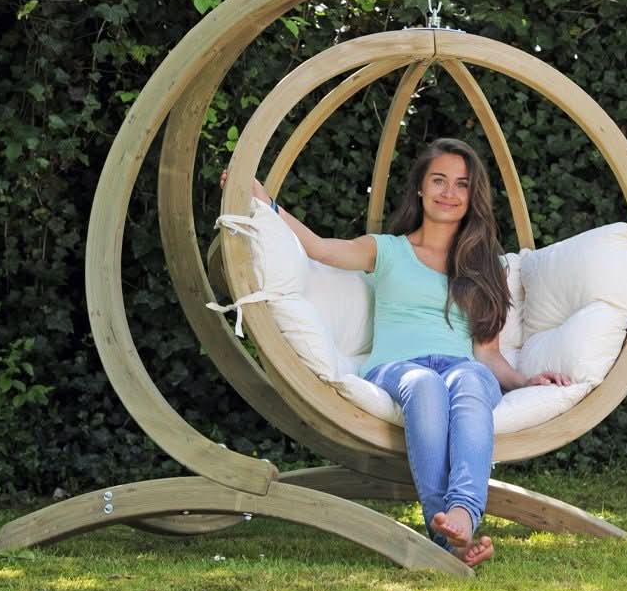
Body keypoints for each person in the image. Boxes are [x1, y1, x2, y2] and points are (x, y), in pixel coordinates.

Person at [221, 137, 570, 567]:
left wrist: (525, 381)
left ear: (471, 195)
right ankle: (448, 536)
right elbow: (319, 248)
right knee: (425, 385)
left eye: (461, 184)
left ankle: (460, 516)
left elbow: (488, 355)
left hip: (462, 369)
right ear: (421, 189)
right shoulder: (385, 249)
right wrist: (264, 202)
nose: (449, 192)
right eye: (439, 180)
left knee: (471, 379)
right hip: (397, 370)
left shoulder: (486, 267)